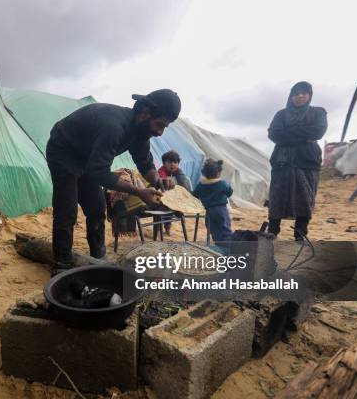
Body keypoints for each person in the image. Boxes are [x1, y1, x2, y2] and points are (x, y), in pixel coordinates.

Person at [46, 89, 182, 267]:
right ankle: (61, 264)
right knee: (67, 211)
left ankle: (98, 259)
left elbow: (145, 162)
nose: (160, 132)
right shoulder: (114, 126)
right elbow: (99, 172)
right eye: (160, 125)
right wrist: (138, 191)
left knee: (97, 208)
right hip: (63, 151)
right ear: (144, 114)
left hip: (88, 158)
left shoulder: (141, 133)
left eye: (165, 127)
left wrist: (158, 180)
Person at [267, 81, 327, 240]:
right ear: (291, 96)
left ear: (309, 95)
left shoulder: (318, 113)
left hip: (307, 161)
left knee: (305, 197)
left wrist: (287, 134)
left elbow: (318, 131)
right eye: (296, 93)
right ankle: (273, 231)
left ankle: (300, 233)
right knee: (277, 196)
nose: (300, 96)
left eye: (304, 93)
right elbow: (273, 134)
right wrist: (304, 136)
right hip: (282, 161)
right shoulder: (281, 114)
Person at [192, 159, 233, 242]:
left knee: (213, 229)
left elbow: (195, 195)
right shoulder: (222, 183)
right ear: (218, 173)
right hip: (221, 210)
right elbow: (229, 192)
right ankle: (227, 244)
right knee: (225, 228)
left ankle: (218, 242)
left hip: (209, 210)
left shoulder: (201, 184)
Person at [158, 150, 192, 234]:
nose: (172, 164)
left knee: (172, 209)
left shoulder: (180, 174)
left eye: (175, 162)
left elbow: (185, 186)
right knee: (164, 211)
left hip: (174, 199)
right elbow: (161, 184)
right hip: (162, 199)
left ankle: (167, 228)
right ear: (164, 163)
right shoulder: (161, 172)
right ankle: (159, 229)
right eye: (169, 162)